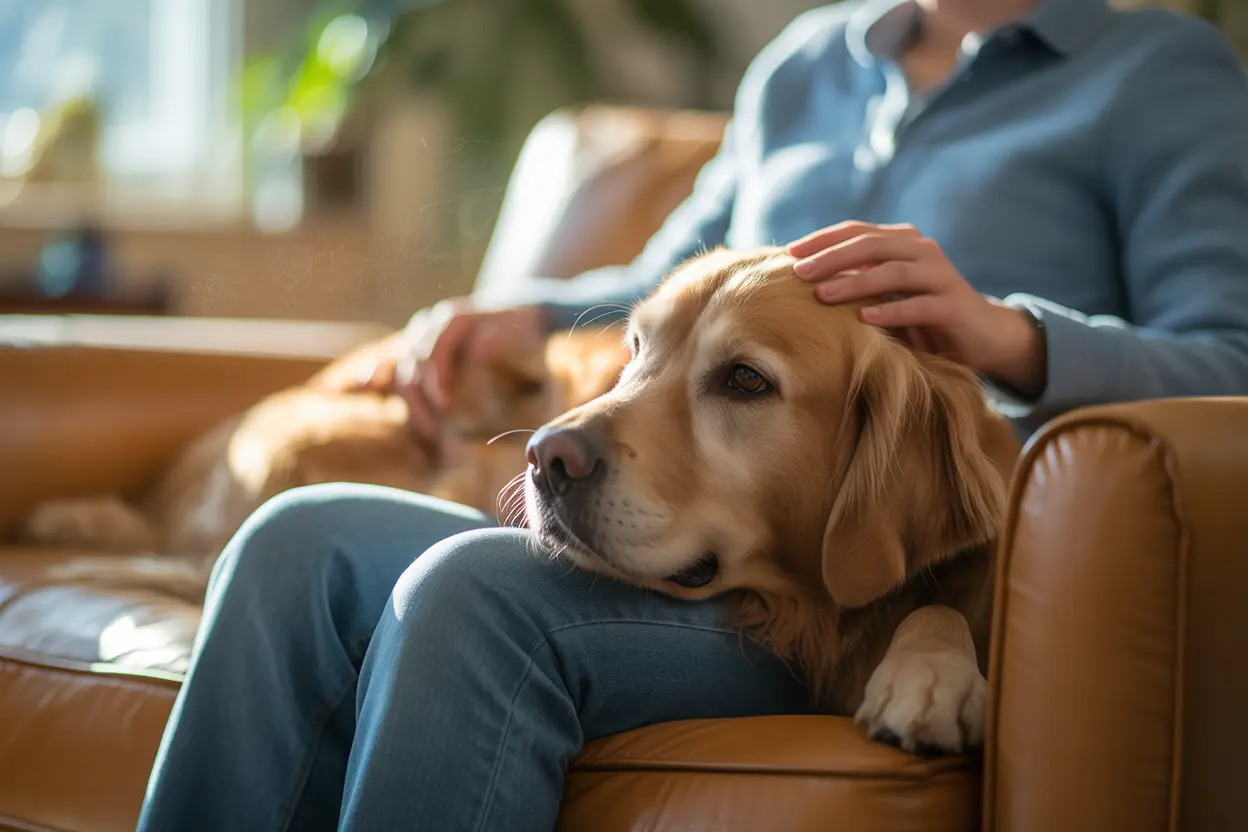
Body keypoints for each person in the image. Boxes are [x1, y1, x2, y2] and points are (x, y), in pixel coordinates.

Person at [137, 0, 1248, 829]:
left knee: (473, 588)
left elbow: (1232, 362)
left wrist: (1008, 334)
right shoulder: (804, 65)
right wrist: (520, 313)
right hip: (704, 545)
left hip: (857, 582)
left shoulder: (1161, 74)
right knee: (293, 543)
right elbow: (673, 282)